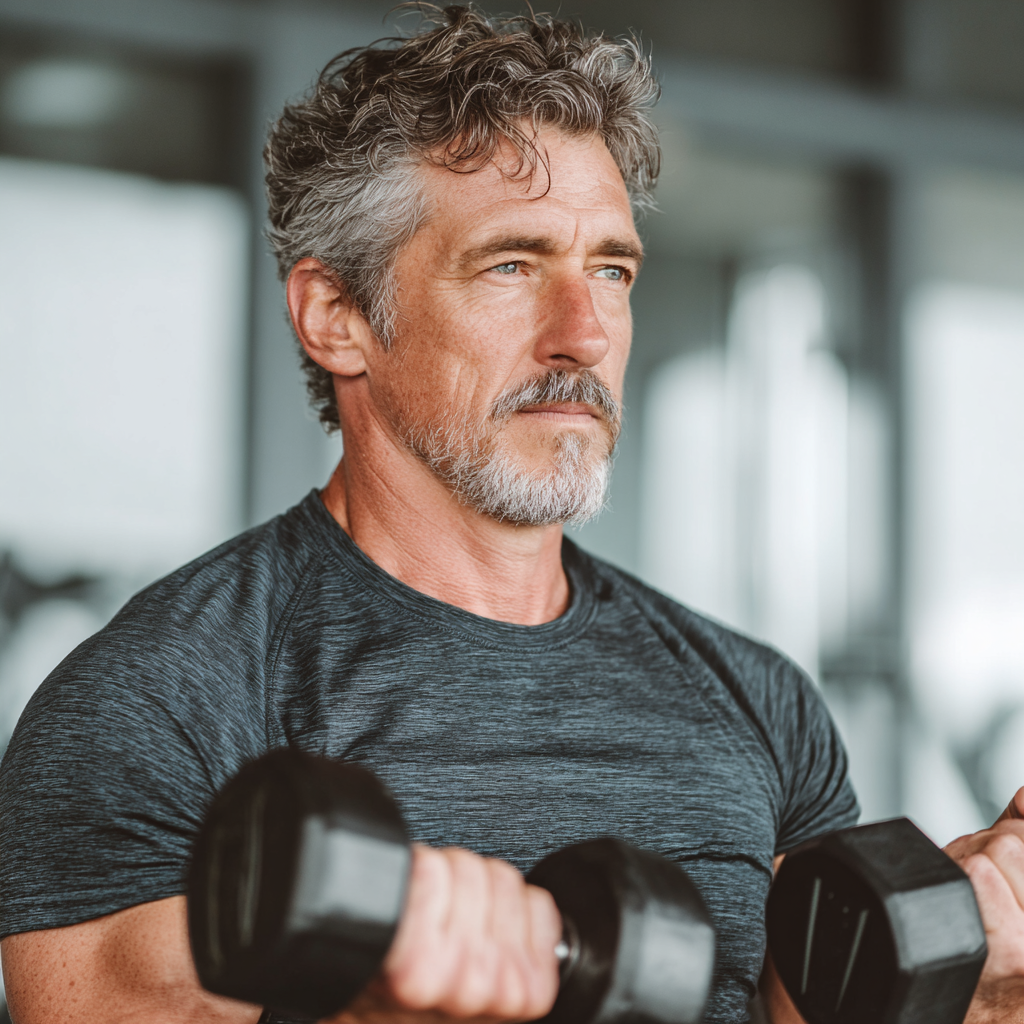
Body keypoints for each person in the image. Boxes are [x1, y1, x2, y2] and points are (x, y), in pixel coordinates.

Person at [1, 8, 1022, 1024]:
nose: (581, 335)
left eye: (610, 271)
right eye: (511, 265)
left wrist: (968, 982)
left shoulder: (758, 697)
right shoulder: (155, 706)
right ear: (337, 317)